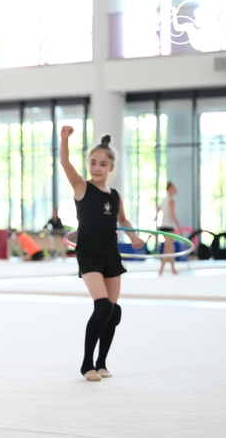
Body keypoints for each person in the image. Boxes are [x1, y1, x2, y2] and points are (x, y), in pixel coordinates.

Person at [60, 126, 144, 382]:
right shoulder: (82, 187)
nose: (97, 168)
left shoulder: (115, 195)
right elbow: (64, 162)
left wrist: (133, 237)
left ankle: (102, 363)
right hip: (89, 254)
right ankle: (87, 365)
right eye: (93, 163)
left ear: (111, 167)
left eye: (103, 164)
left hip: (111, 254)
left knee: (113, 311)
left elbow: (124, 220)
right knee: (103, 306)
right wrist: (65, 139)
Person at [155, 181, 182, 275]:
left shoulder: (164, 200)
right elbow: (173, 216)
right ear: (170, 189)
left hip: (163, 226)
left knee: (171, 248)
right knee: (167, 249)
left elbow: (159, 210)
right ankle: (161, 270)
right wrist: (180, 227)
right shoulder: (171, 201)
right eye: (174, 188)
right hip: (169, 227)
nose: (176, 190)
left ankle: (173, 269)